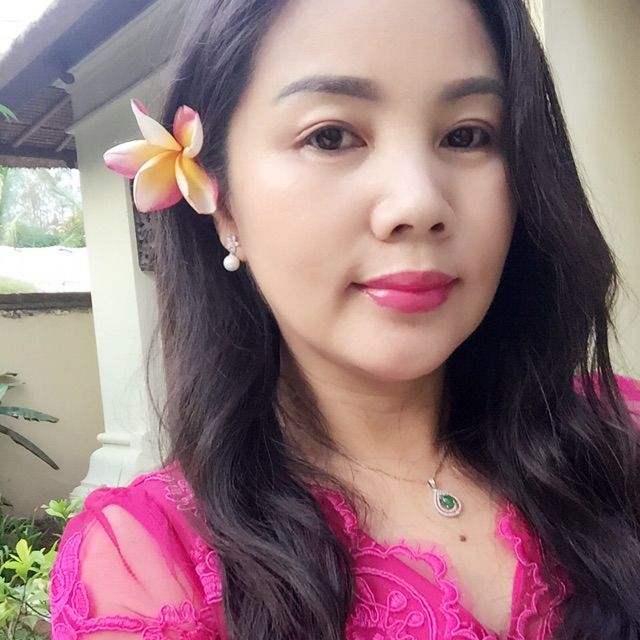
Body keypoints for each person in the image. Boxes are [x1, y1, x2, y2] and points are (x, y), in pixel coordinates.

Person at [50, 0, 640, 638]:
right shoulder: (148, 570)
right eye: (329, 136)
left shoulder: (621, 437)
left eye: (467, 135)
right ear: (222, 203)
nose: (418, 202)